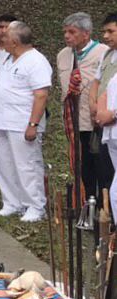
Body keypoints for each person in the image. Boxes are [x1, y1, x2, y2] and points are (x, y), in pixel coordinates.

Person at [0, 21, 51, 222]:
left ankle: (35, 206)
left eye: (5, 37)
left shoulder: (36, 61)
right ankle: (12, 203)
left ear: (15, 41)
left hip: (21, 123)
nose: (2, 39)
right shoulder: (9, 58)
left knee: (27, 165)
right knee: (4, 163)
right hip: (1, 121)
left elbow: (41, 95)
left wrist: (33, 124)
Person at [57, 12, 112, 200]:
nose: (67, 36)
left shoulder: (103, 52)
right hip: (74, 121)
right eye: (65, 32)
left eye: (72, 32)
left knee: (101, 166)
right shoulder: (63, 56)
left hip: (96, 121)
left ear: (86, 34)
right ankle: (86, 201)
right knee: (82, 166)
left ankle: (102, 206)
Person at [93, 13, 117, 214]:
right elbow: (99, 84)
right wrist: (96, 107)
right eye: (104, 31)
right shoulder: (107, 54)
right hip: (107, 126)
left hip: (113, 118)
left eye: (111, 31)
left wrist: (113, 114)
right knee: (106, 171)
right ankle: (106, 216)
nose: (106, 36)